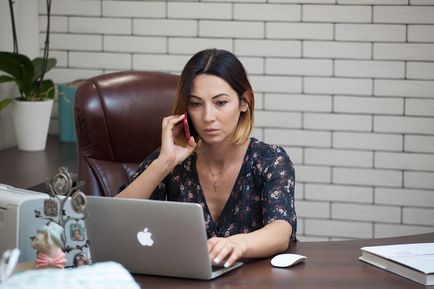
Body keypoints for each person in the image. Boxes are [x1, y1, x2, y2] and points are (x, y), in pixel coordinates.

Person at [117, 48, 296, 268]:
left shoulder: (270, 160)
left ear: (244, 101)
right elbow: (112, 220)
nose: (208, 117)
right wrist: (163, 164)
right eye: (195, 103)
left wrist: (235, 244)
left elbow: (280, 231)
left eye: (220, 102)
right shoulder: (172, 161)